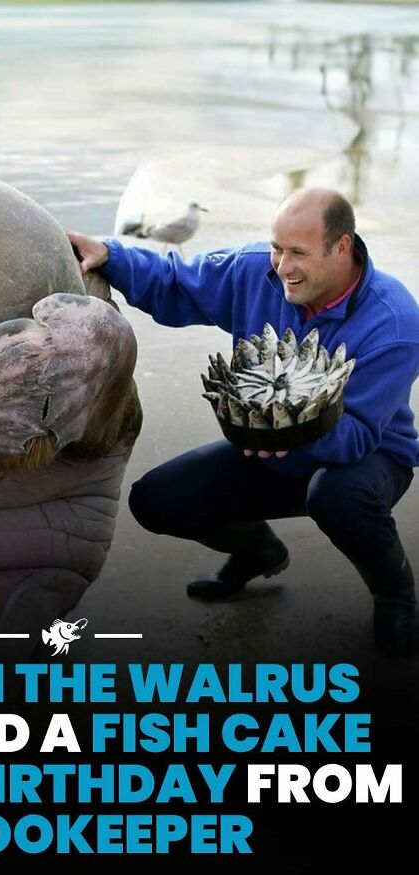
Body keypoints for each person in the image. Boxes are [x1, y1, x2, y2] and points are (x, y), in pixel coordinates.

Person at [67, 188, 419, 656]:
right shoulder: (258, 270)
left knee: (337, 496)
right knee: (156, 500)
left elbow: (355, 436)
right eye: (277, 247)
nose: (282, 266)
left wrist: (286, 431)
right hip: (269, 442)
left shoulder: (395, 322)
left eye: (298, 253)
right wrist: (110, 255)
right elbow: (176, 281)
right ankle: (258, 552)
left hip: (370, 458)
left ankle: (395, 595)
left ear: (342, 247)